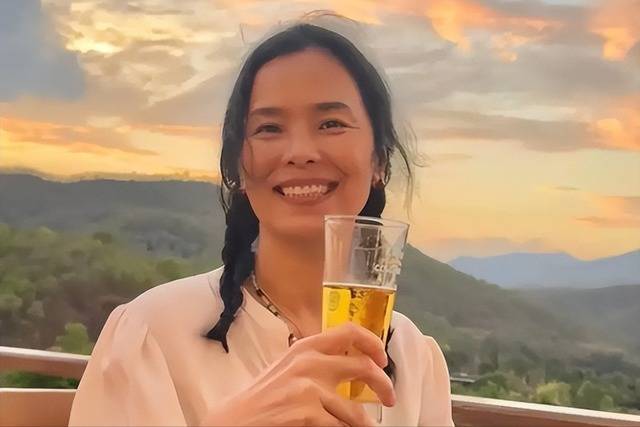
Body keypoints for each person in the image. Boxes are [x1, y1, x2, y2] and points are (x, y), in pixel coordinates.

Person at [68, 20, 453, 427]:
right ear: (237, 167)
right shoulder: (152, 334)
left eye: (331, 124)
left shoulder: (411, 356)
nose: (300, 151)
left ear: (379, 159)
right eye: (269, 128)